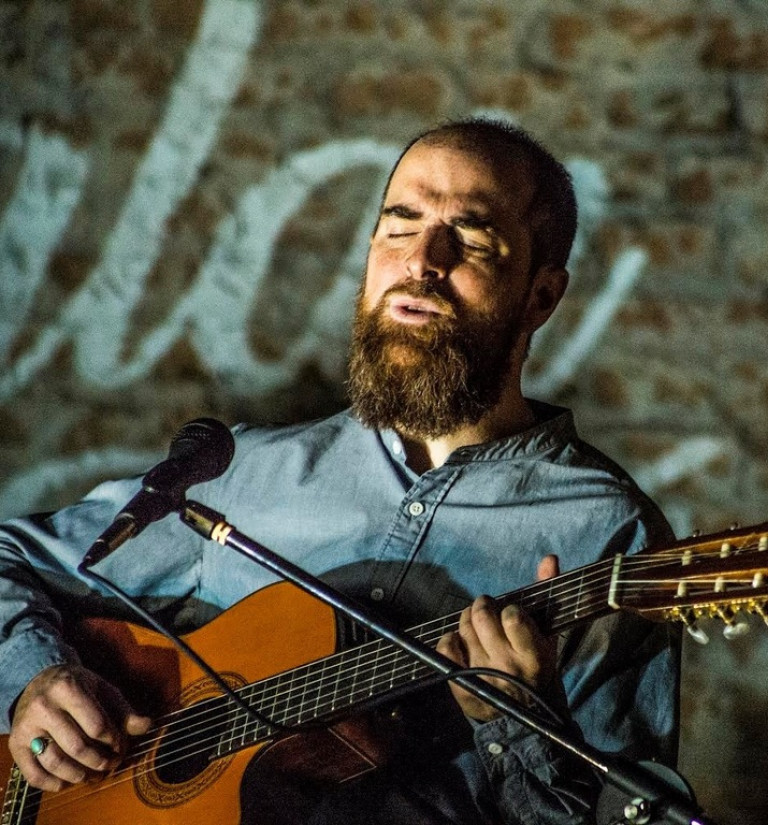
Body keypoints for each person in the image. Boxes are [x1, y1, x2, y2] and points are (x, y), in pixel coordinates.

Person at [0, 119, 679, 824]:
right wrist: (34, 680)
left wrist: (518, 730)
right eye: (399, 225)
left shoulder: (608, 530)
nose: (422, 259)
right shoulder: (248, 470)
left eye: (471, 238)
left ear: (541, 295)